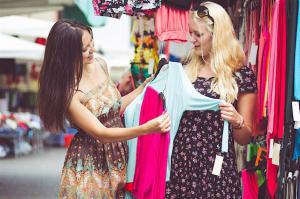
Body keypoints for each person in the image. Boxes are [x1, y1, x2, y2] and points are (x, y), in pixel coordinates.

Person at [38, 20, 170, 199]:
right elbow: (102, 133)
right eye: (84, 49)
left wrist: (143, 88)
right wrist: (147, 129)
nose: (91, 49)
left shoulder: (100, 64)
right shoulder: (69, 93)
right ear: (67, 54)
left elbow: (113, 109)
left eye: (91, 42)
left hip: (118, 152)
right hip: (90, 162)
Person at [165, 1, 257, 198]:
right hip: (181, 167)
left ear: (217, 36)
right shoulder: (184, 69)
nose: (193, 40)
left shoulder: (240, 76)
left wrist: (237, 120)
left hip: (218, 171)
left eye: (198, 34)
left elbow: (245, 138)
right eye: (191, 33)